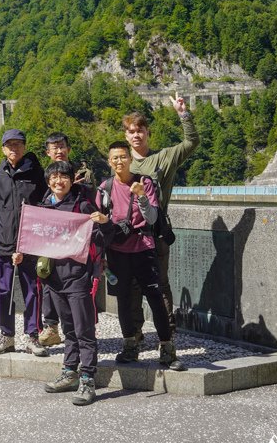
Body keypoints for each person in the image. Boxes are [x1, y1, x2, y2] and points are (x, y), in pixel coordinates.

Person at [98, 142, 184, 371]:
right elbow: (100, 224)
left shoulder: (144, 182)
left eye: (123, 157)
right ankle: (130, 346)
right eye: (114, 158)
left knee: (155, 298)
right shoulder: (105, 188)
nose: (119, 161)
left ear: (130, 159)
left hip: (144, 247)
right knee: (124, 300)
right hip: (117, 251)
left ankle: (167, 348)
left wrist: (142, 197)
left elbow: (153, 218)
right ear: (109, 162)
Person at [123, 97, 200, 341]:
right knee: (133, 286)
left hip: (156, 232)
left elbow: (192, 142)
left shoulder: (164, 158)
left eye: (140, 130)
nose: (136, 135)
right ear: (126, 135)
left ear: (148, 132)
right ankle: (135, 333)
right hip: (130, 235)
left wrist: (183, 114)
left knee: (160, 284)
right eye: (131, 131)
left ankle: (167, 334)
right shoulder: (122, 161)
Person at [39, 162, 110, 405]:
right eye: (54, 177)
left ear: (72, 180)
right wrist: (20, 253)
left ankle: (88, 379)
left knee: (84, 330)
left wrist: (103, 221)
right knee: (69, 329)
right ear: (48, 182)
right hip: (54, 278)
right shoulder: (42, 208)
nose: (59, 181)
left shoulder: (83, 205)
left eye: (64, 177)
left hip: (78, 276)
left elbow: (101, 237)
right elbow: (34, 240)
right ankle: (70, 372)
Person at [0, 129, 48, 356]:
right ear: (3, 149)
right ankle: (6, 335)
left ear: (25, 147)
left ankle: (33, 336)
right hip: (2, 242)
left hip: (30, 241)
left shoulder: (37, 174)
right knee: (2, 290)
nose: (14, 149)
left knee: (33, 291)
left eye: (18, 144)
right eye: (9, 145)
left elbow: (47, 205)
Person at [39, 132, 97, 349]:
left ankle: (80, 337)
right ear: (48, 153)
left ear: (68, 149)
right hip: (51, 247)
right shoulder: (47, 178)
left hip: (75, 250)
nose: (59, 151)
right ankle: (51, 326)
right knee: (47, 281)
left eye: (62, 146)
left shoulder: (81, 175)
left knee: (77, 298)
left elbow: (92, 209)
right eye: (54, 148)